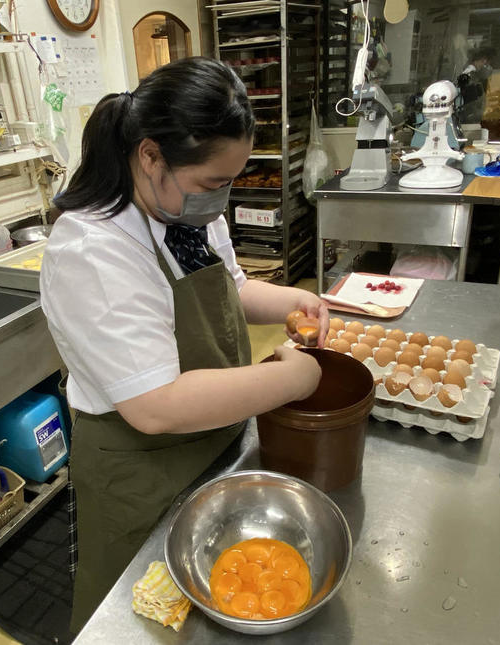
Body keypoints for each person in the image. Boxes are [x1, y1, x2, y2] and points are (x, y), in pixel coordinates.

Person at [39, 57, 327, 634]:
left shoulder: (181, 207)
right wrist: (294, 380)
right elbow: (156, 405)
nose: (219, 198)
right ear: (151, 156)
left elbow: (233, 288)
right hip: (141, 469)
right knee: (141, 620)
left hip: (217, 437)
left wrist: (294, 301)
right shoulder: (94, 250)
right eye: (213, 184)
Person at [456, 46, 495, 124]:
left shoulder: (474, 73)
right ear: (475, 61)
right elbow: (466, 94)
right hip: (469, 111)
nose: (483, 63)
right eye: (481, 61)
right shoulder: (468, 73)